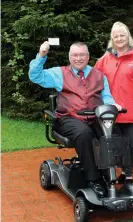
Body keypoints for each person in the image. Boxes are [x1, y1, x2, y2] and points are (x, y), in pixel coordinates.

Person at [29, 41, 122, 197]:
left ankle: (108, 173)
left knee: (114, 132)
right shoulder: (60, 73)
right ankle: (94, 179)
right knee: (84, 133)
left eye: (82, 55)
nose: (78, 58)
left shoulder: (98, 75)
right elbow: (35, 76)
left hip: (94, 117)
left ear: (88, 56)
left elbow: (106, 96)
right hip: (68, 118)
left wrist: (113, 105)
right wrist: (41, 55)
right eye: (75, 55)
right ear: (70, 56)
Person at [95, 21, 133, 184]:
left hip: (131, 110)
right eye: (116, 36)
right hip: (110, 111)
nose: (119, 38)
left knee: (128, 144)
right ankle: (111, 174)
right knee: (112, 143)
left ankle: (127, 175)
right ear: (112, 38)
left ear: (128, 36)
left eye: (122, 35)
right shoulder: (104, 60)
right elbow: (95, 80)